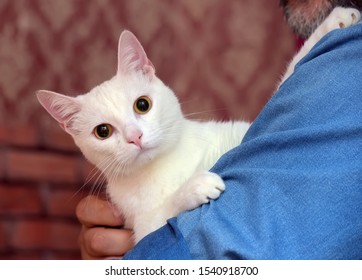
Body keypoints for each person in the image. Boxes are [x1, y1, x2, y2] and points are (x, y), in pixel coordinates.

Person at [76, 0, 362, 259]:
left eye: (141, 105)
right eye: (103, 131)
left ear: (149, 74)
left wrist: (321, 38)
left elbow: (271, 136)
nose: (133, 136)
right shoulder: (127, 196)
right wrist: (176, 204)